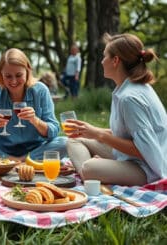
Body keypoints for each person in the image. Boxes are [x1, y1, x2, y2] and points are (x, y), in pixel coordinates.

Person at [65, 33, 167, 186]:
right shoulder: (127, 88)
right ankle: (96, 173)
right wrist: (91, 130)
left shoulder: (130, 98)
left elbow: (146, 151)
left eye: (104, 56)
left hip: (148, 169)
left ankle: (91, 174)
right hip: (129, 158)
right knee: (75, 140)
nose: (101, 61)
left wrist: (99, 134)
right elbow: (128, 135)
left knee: (89, 167)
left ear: (115, 60)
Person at [0, 48, 67, 161]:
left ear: (27, 71)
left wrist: (35, 120)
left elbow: (54, 130)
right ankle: (14, 160)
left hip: (37, 148)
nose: (13, 81)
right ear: (1, 74)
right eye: (8, 76)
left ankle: (16, 161)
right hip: (3, 149)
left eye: (18, 75)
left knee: (66, 142)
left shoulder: (40, 90)